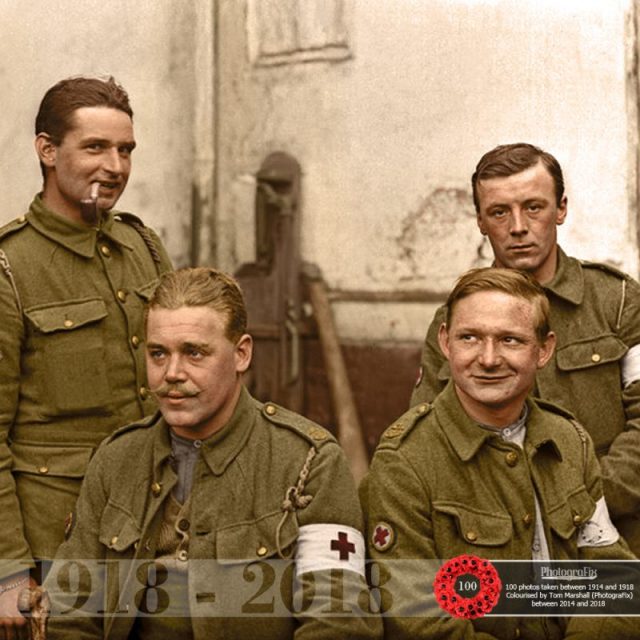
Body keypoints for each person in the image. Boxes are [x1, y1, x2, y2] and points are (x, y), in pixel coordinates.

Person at [44, 267, 382, 639]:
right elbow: (72, 609)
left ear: (241, 354)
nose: (172, 373)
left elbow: (336, 620)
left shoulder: (307, 462)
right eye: (158, 353)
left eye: (194, 353)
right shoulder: (116, 460)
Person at [363, 267, 637, 639]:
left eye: (510, 340)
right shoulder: (405, 462)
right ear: (445, 343)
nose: (488, 359)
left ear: (544, 350)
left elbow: (612, 577)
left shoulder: (569, 440)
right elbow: (418, 618)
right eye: (470, 338)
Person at [0, 76, 172, 634]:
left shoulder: (142, 247)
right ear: (47, 150)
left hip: (155, 526)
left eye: (125, 150)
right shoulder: (9, 268)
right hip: (59, 541)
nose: (115, 167)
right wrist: (8, 573)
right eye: (95, 147)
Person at [411, 142, 640, 555]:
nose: (518, 226)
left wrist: (580, 499)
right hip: (496, 539)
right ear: (481, 220)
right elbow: (426, 433)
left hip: (612, 529)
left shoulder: (617, 301)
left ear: (561, 209)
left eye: (534, 207)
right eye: (500, 212)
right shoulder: (456, 320)